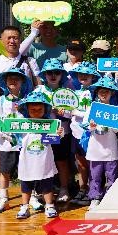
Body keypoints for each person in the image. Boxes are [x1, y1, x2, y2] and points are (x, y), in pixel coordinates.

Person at [0, 67, 33, 213]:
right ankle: (3, 198)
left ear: (22, 81)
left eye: (17, 78)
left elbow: (34, 118)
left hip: (25, 142)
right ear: (5, 82)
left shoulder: (28, 100)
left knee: (28, 170)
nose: (13, 81)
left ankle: (32, 197)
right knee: (4, 171)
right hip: (6, 144)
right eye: (10, 78)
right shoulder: (0, 101)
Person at [15, 91, 61, 219]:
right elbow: (10, 135)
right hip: (27, 161)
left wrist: (59, 133)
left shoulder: (50, 123)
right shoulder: (22, 123)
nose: (36, 112)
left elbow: (57, 137)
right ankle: (25, 206)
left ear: (45, 109)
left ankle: (49, 205)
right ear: (27, 109)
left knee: (47, 183)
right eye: (32, 109)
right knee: (26, 184)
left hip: (44, 160)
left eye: (39, 109)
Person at [34, 58, 73, 202]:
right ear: (44, 75)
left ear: (62, 75)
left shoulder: (67, 92)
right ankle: (40, 190)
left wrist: (64, 112)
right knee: (40, 161)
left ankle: (64, 189)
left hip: (62, 132)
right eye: (49, 72)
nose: (53, 75)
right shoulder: (38, 90)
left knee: (62, 161)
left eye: (57, 72)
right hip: (41, 133)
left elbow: (72, 113)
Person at [82, 76, 118, 207]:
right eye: (101, 91)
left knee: (112, 174)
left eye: (107, 91)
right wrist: (91, 126)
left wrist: (111, 123)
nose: (104, 94)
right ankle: (95, 197)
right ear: (97, 93)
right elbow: (85, 124)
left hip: (111, 147)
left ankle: (111, 197)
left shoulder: (115, 110)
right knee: (95, 175)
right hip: (95, 148)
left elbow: (117, 130)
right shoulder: (92, 108)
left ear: (112, 93)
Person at [67, 62, 101, 205]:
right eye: (81, 74)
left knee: (92, 162)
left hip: (91, 133)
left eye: (87, 74)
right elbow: (68, 112)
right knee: (80, 163)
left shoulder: (96, 93)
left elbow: (95, 112)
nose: (84, 76)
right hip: (76, 132)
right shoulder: (73, 93)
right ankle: (82, 188)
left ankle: (93, 190)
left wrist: (77, 112)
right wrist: (64, 111)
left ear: (93, 76)